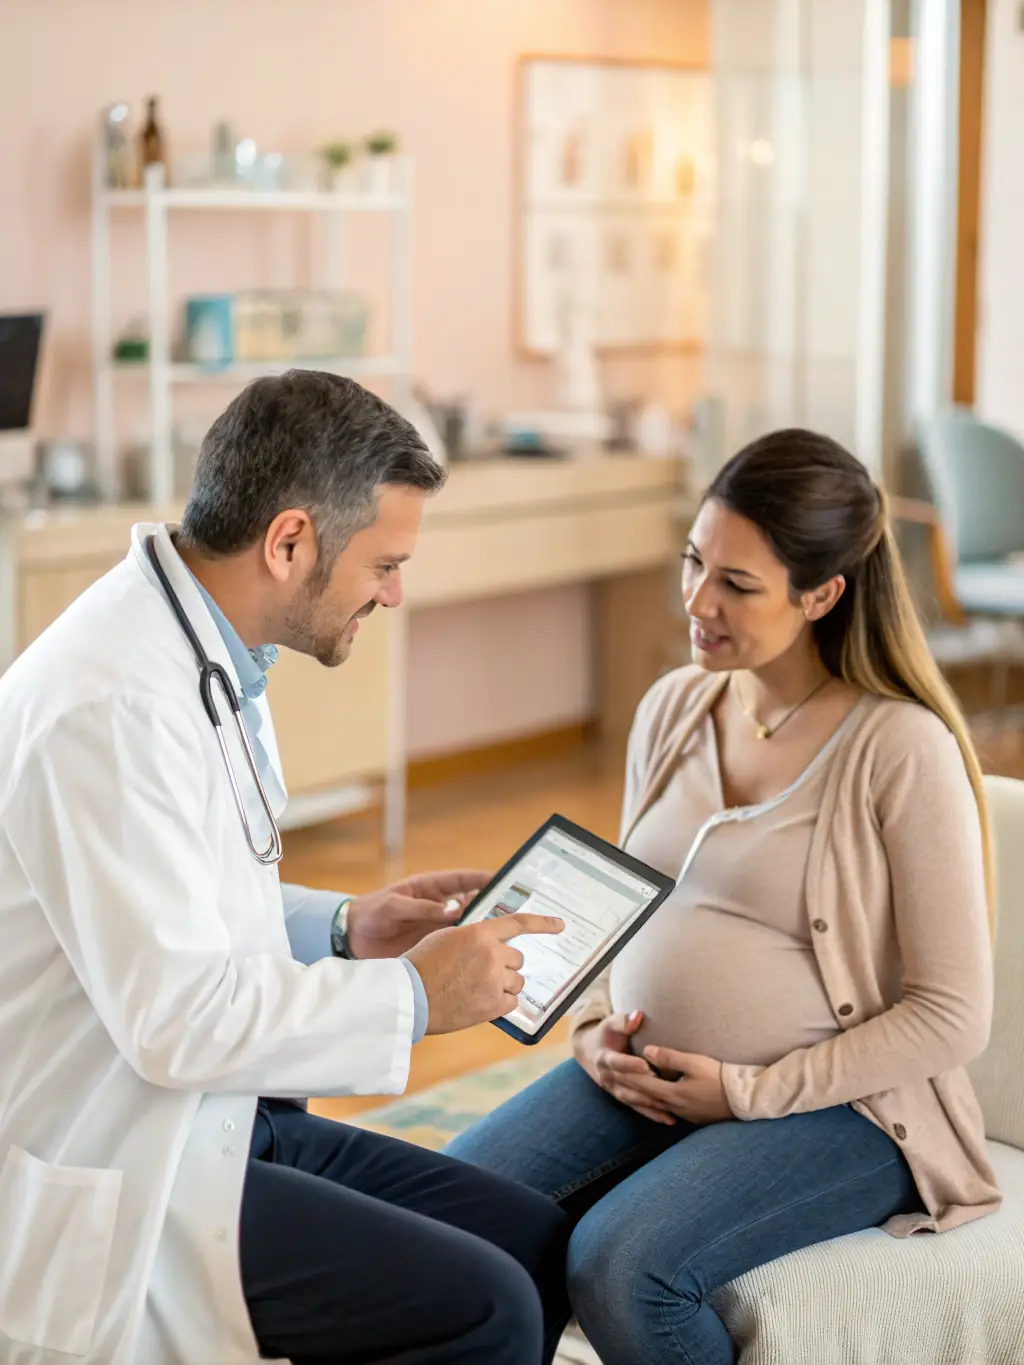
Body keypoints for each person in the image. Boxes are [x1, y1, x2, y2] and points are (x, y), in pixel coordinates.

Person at [0, 372, 571, 1365]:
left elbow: (196, 901)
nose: (394, 593)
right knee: (490, 1311)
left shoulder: (222, 651)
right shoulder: (110, 707)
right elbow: (176, 1022)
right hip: (133, 1152)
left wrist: (350, 928)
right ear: (290, 542)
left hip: (220, 1114)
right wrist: (411, 999)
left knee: (537, 1248)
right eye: (385, 563)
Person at [446, 428, 1000, 1365]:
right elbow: (616, 909)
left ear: (822, 595)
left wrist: (747, 1093)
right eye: (695, 562)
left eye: (737, 585)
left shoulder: (900, 750)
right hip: (651, 1079)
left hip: (847, 1112)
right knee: (452, 1215)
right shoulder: (674, 708)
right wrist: (594, 1032)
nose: (699, 602)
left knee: (621, 1264)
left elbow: (953, 1016)